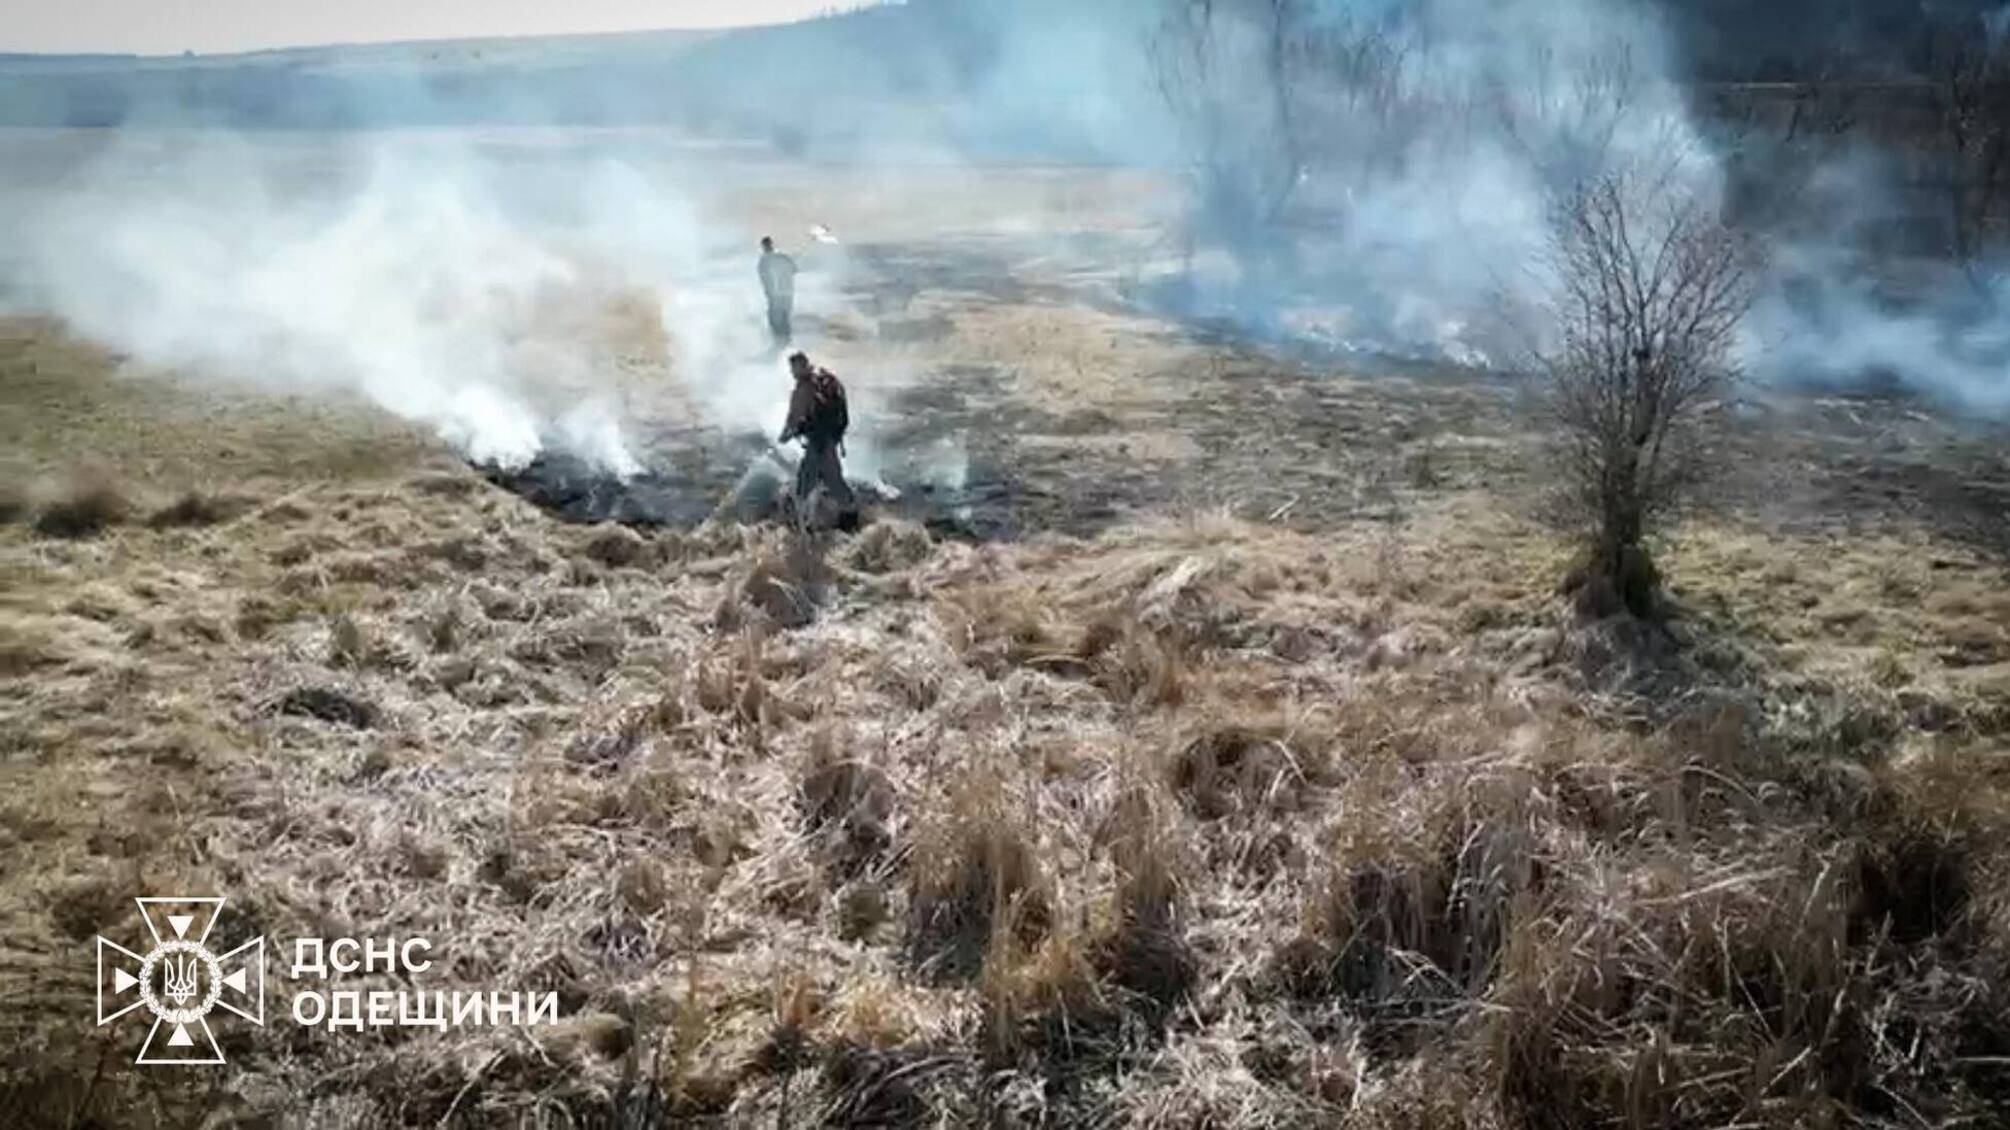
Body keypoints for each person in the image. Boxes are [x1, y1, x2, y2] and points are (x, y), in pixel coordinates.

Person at [777, 351, 858, 530]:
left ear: (799, 367)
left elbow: (792, 420)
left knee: (808, 484)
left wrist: (783, 438)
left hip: (818, 444)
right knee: (830, 479)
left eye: (793, 368)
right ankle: (848, 515)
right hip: (830, 440)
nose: (792, 373)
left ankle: (802, 529)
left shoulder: (803, 389)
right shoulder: (824, 380)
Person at [757, 236, 798, 344]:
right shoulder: (783, 256)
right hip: (787, 292)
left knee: (775, 319)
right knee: (785, 317)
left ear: (763, 246)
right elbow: (794, 269)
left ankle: (779, 343)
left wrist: (768, 292)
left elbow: (764, 278)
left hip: (775, 294)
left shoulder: (764, 260)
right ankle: (787, 343)